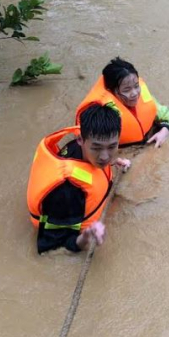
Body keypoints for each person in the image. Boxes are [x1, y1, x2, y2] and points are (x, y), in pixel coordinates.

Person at [27, 104, 131, 254]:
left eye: (112, 147)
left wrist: (113, 163)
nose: (104, 156)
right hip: (64, 210)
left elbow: (92, 168)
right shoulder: (68, 191)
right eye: (96, 148)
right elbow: (51, 248)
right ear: (80, 140)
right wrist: (86, 236)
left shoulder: (82, 149)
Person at [75, 57, 169, 148]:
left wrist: (165, 130)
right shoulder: (103, 113)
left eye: (136, 86)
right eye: (126, 90)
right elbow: (90, 147)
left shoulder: (142, 97)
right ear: (111, 91)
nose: (134, 93)